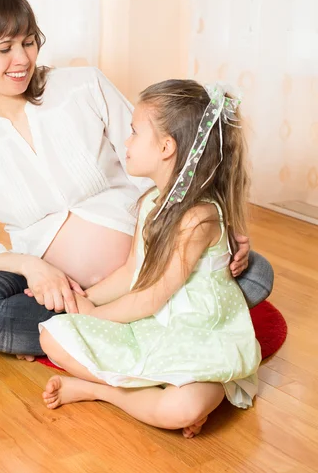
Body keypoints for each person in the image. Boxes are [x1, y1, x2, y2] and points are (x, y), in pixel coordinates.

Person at [0, 0, 273, 362]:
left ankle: (83, 331)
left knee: (256, 272)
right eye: (4, 49)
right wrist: (31, 267)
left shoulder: (83, 86)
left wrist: (212, 231)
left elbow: (160, 157)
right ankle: (139, 323)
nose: (23, 59)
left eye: (29, 42)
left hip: (150, 261)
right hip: (57, 292)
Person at [38, 79, 262, 438]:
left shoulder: (199, 218)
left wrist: (96, 316)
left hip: (202, 335)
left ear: (166, 147)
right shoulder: (151, 204)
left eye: (133, 133)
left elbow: (153, 294)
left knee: (182, 407)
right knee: (51, 338)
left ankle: (102, 391)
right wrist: (86, 300)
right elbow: (131, 273)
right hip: (154, 324)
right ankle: (144, 390)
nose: (125, 142)